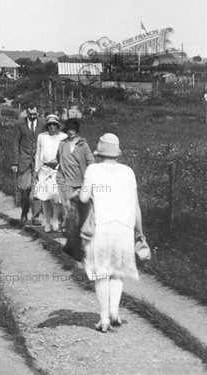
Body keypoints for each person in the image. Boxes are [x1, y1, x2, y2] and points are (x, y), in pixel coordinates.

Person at [80, 133, 145, 332]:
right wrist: (139, 233)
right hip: (124, 228)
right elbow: (135, 206)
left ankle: (104, 318)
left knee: (101, 273)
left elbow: (83, 198)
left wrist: (84, 194)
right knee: (117, 272)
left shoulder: (93, 169)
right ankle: (115, 311)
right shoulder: (128, 172)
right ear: (117, 153)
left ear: (99, 152)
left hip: (101, 227)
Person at [56, 118, 94, 231]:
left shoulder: (83, 144)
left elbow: (91, 160)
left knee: (79, 205)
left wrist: (90, 176)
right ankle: (66, 226)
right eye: (68, 129)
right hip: (65, 178)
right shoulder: (62, 143)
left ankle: (76, 227)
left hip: (80, 179)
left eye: (73, 129)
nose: (70, 132)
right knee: (66, 204)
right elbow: (58, 158)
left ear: (77, 130)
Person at [11, 104, 46, 226]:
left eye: (34, 114)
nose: (32, 116)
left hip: (39, 161)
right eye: (30, 114)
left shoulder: (43, 123)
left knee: (38, 190)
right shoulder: (19, 123)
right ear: (26, 113)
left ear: (38, 113)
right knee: (25, 190)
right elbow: (15, 142)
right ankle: (24, 212)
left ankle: (35, 217)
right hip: (24, 160)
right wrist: (15, 162)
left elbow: (54, 134)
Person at [34, 114, 67, 232]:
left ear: (58, 125)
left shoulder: (64, 137)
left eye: (54, 124)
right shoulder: (41, 136)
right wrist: (36, 170)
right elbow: (38, 153)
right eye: (49, 124)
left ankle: (55, 219)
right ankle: (47, 222)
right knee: (45, 197)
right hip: (44, 169)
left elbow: (65, 153)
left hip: (57, 170)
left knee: (56, 196)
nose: (52, 126)